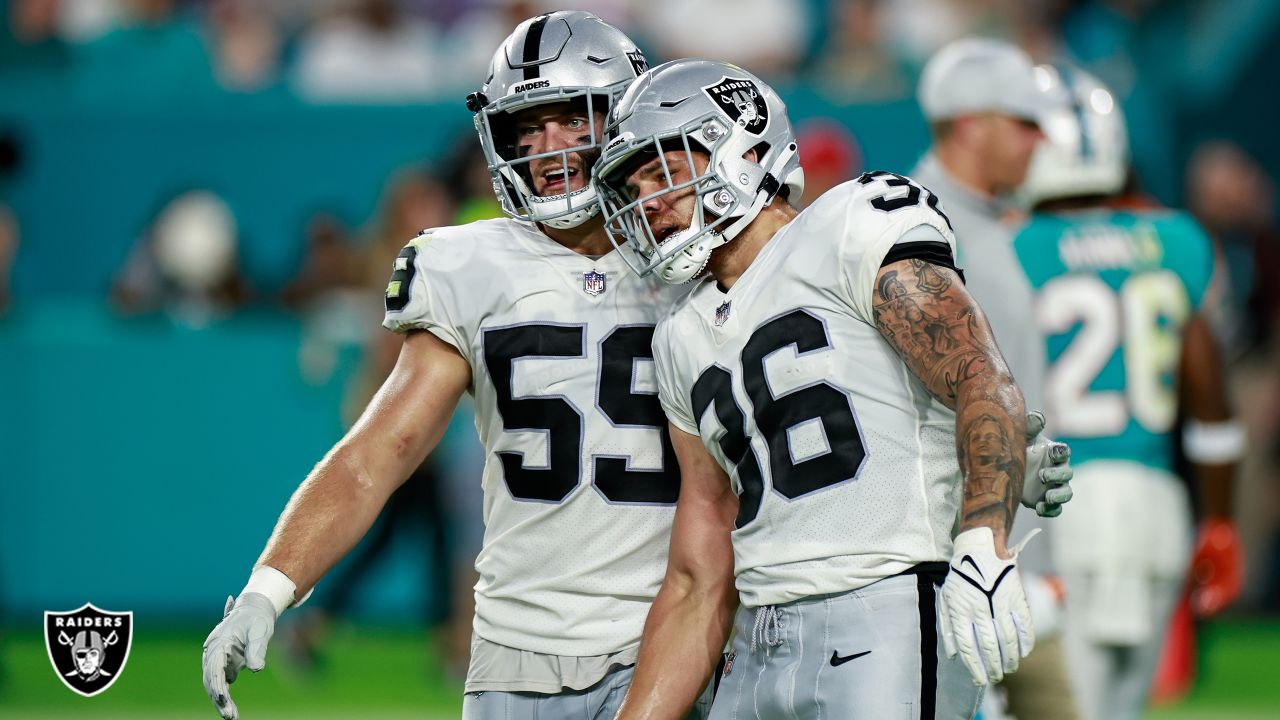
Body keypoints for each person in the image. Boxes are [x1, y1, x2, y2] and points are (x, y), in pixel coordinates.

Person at [202, 12, 706, 720]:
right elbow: (379, 451)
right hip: (517, 653)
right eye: (526, 127)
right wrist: (269, 586)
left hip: (671, 640)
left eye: (570, 119)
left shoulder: (696, 255)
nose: (546, 147)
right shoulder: (465, 263)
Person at [592, 58, 1071, 719]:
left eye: (665, 169)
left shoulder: (852, 221)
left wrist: (982, 542)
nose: (652, 200)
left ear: (745, 148)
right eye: (635, 184)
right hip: (758, 639)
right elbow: (697, 575)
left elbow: (977, 373)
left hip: (888, 607)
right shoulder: (680, 335)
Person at [1013, 66, 1245, 720]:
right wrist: (1221, 521)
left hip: (1054, 511)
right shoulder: (1177, 241)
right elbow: (1212, 403)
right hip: (1155, 508)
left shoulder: (1011, 248)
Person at [911, 38, 1079, 720]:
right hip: (964, 561)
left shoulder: (986, 225)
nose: (1041, 141)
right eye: (1025, 122)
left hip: (1002, 548)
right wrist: (993, 557)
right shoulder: (922, 231)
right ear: (971, 123)